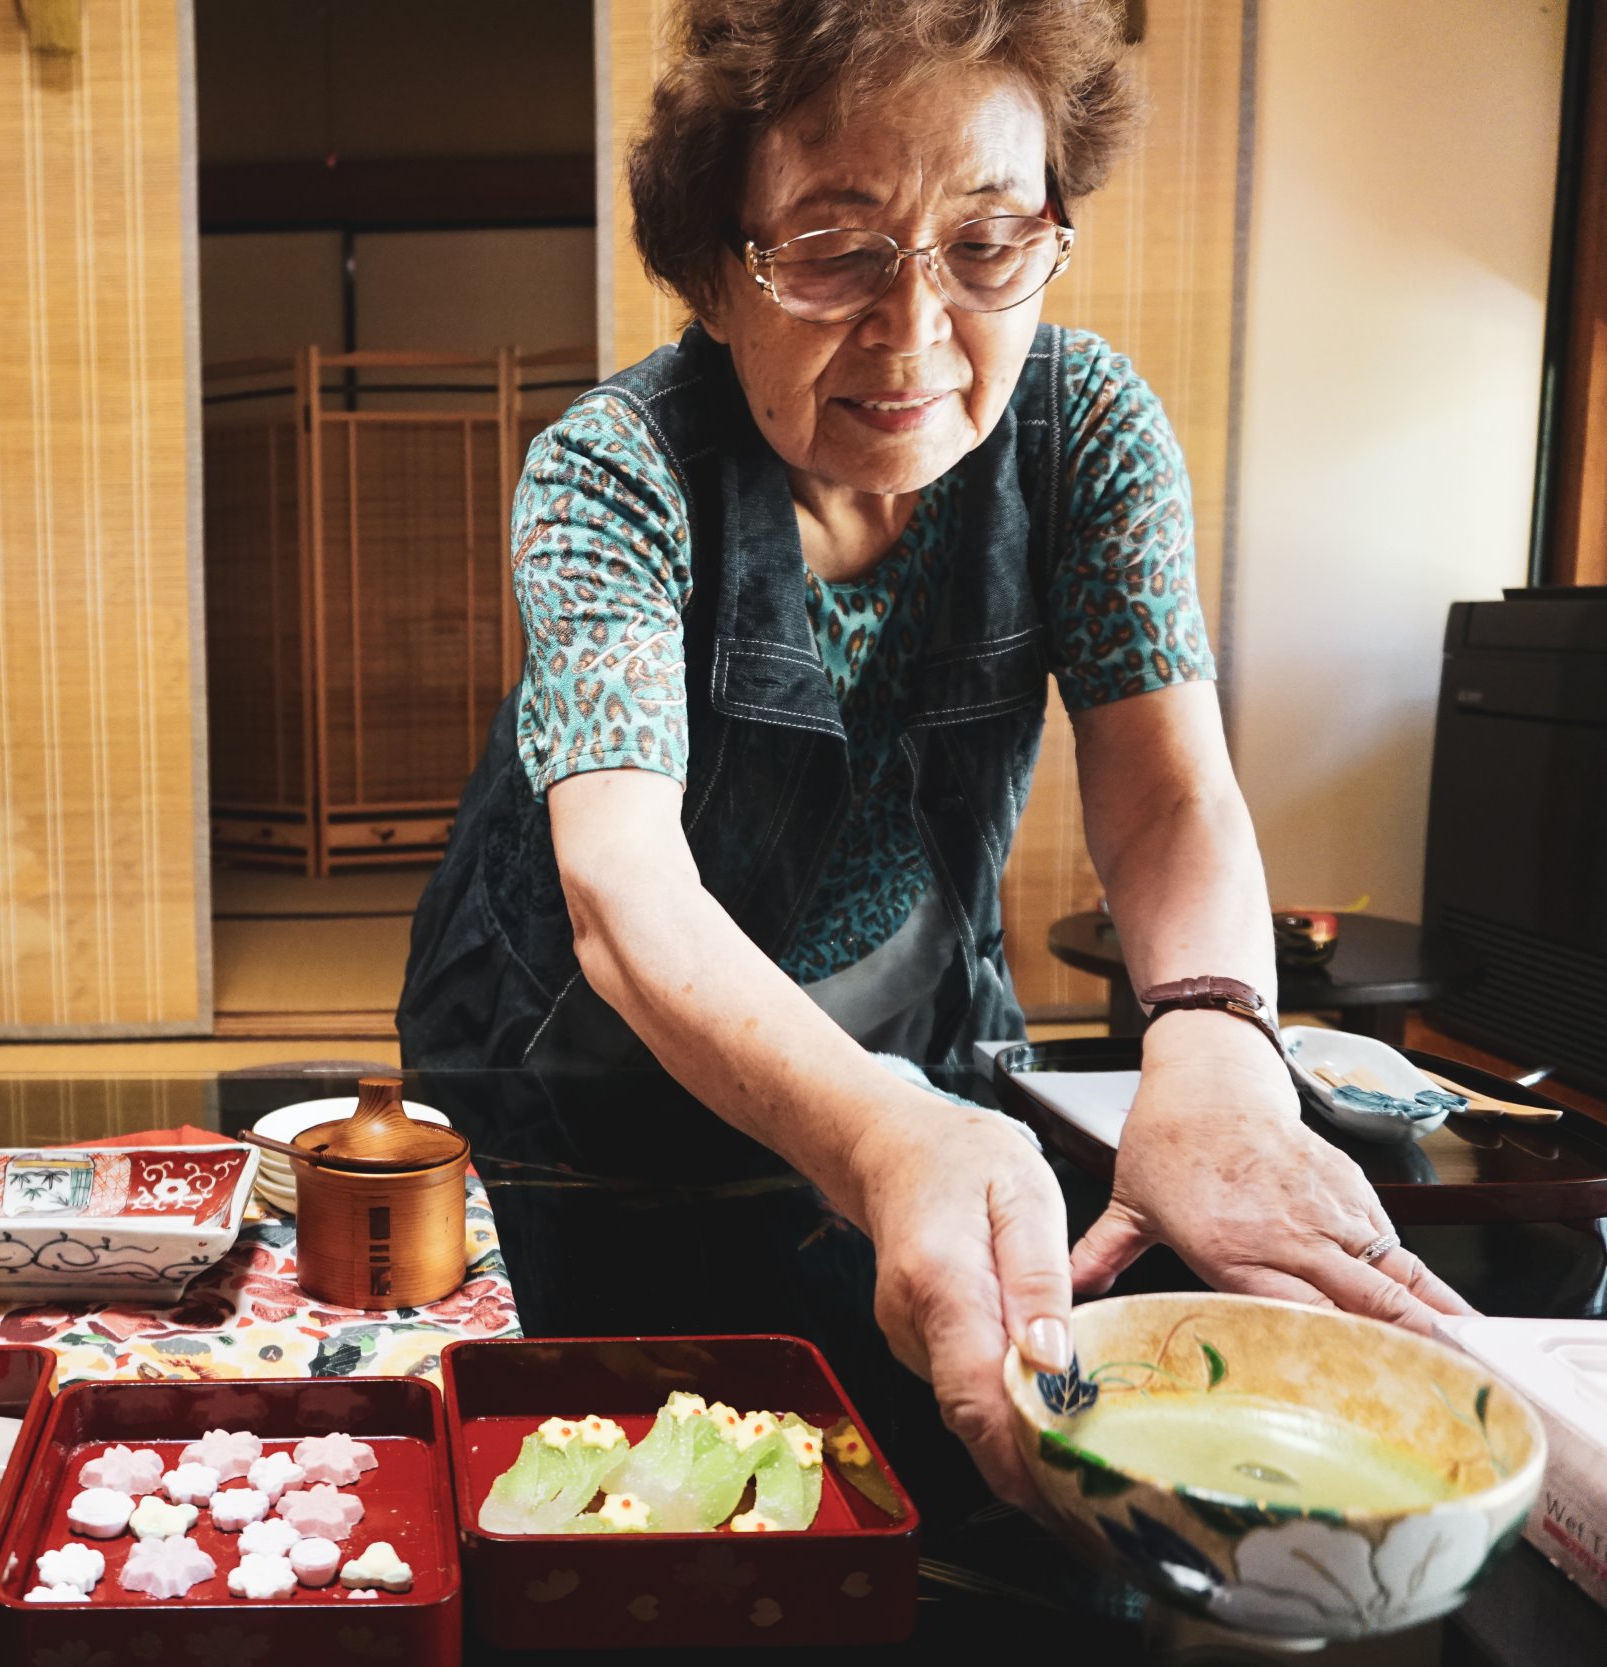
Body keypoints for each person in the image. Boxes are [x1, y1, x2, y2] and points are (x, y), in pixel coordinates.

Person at [398, 0, 1471, 1508]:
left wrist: (1219, 1044)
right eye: (836, 251)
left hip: (914, 1067)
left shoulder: (1086, 431)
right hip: (581, 1102)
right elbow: (626, 895)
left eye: (986, 245)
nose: (916, 333)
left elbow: (1165, 792)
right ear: (717, 267)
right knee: (612, 1521)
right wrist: (884, 1139)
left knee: (946, 1512)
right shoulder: (616, 469)